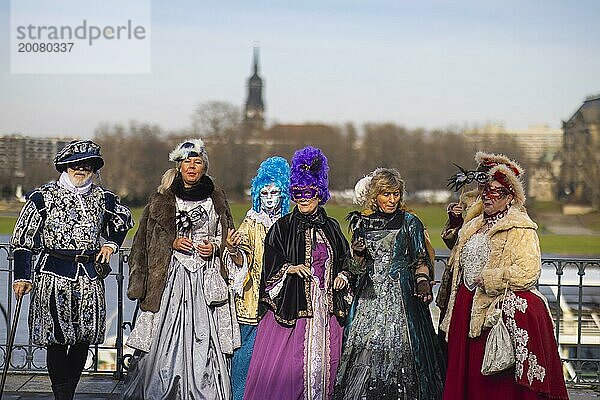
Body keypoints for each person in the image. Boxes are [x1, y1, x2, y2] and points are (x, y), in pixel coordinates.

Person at [11, 140, 133, 400]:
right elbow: (23, 239)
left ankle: (69, 392)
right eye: (75, 164)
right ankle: (62, 396)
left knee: (83, 338)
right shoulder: (42, 197)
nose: (81, 169)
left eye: (87, 165)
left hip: (89, 276)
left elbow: (123, 220)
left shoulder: (104, 198)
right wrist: (22, 276)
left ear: (93, 168)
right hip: (52, 276)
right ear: (65, 167)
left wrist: (111, 244)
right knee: (56, 339)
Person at [439, 163, 569, 399]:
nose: (487, 197)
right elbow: (457, 255)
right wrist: (455, 223)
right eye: (485, 190)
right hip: (463, 307)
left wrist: (491, 278)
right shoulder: (473, 225)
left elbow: (528, 271)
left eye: (496, 192)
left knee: (491, 379)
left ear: (510, 197)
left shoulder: (520, 227)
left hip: (491, 310)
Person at [123, 139, 239, 400]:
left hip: (204, 278)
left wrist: (216, 248)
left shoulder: (216, 198)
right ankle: (164, 384)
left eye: (198, 162)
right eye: (187, 161)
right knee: (165, 336)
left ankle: (204, 388)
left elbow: (227, 235)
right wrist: (172, 241)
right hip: (170, 277)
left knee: (204, 338)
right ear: (179, 165)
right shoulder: (163, 197)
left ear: (204, 167)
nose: (192, 167)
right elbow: (145, 238)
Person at [243, 146, 352, 400]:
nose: (303, 198)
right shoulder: (282, 227)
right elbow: (268, 264)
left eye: (309, 193)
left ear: (319, 194)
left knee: (328, 365)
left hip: (326, 313)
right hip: (293, 307)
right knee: (289, 371)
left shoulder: (332, 227)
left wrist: (343, 276)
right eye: (298, 193)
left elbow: (346, 260)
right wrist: (289, 268)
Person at [334, 168, 445, 400]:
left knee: (406, 352)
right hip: (369, 298)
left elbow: (421, 259)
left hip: (403, 297)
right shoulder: (362, 223)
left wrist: (422, 280)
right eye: (386, 194)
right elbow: (355, 270)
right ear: (375, 195)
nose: (392, 200)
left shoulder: (410, 222)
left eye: (395, 194)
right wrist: (356, 256)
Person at [225, 156, 291, 400]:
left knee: (279, 361)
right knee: (246, 358)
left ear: (283, 193)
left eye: (275, 192)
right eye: (265, 193)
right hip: (254, 302)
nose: (270, 198)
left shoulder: (289, 224)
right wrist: (234, 251)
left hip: (283, 304)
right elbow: (243, 254)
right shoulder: (252, 221)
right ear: (257, 194)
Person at [437, 152, 525, 323]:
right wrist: (455, 222)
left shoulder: (513, 210)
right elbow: (456, 245)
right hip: (460, 276)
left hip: (491, 281)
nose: (483, 185)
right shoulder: (467, 200)